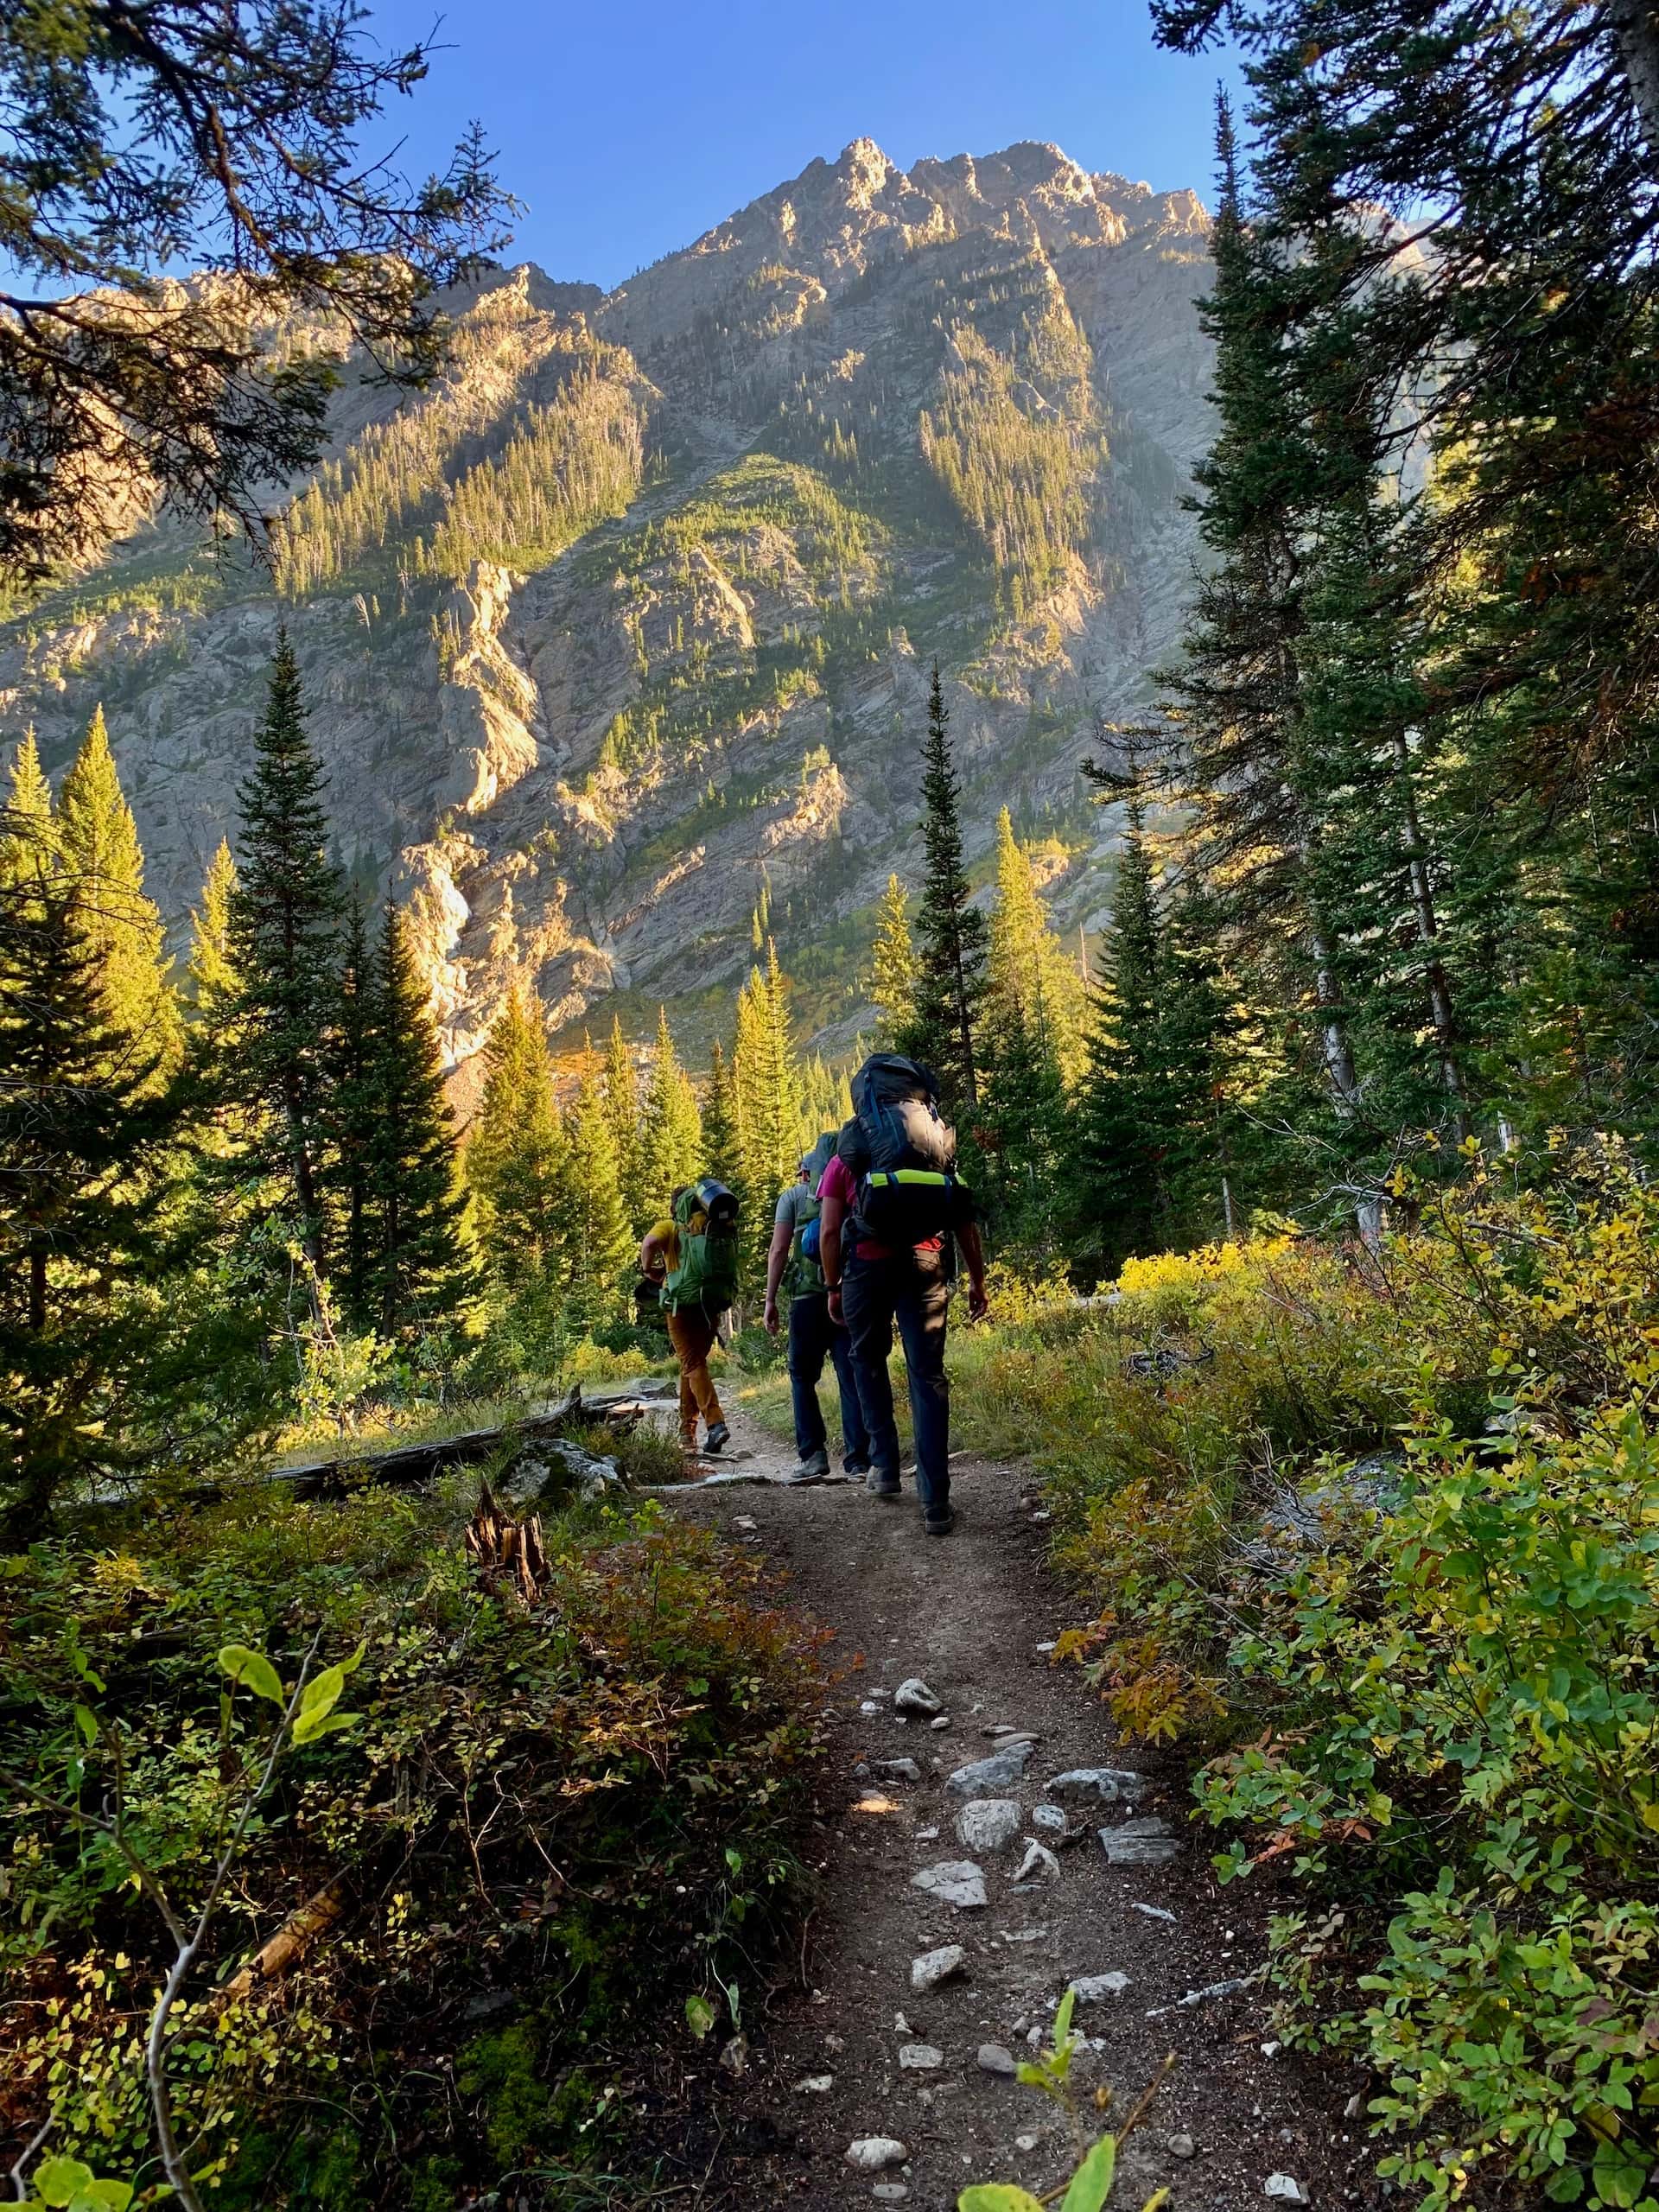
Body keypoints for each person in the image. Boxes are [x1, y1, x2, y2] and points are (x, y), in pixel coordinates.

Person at [819, 1058, 988, 1536]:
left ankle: (885, 1468)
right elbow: (963, 1218)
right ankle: (936, 1501)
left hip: (866, 1268)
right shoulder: (934, 1146)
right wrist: (977, 1280)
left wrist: (834, 1286)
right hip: (926, 1263)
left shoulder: (847, 1152)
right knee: (927, 1376)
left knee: (866, 1360)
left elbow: (830, 1230)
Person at [764, 1137, 873, 1485]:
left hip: (807, 1301)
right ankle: (859, 1460)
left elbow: (779, 1251)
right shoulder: (852, 1187)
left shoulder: (793, 1199)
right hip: (847, 1293)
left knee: (802, 1377)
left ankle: (813, 1456)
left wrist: (770, 1300)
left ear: (807, 1172)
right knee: (850, 1376)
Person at [640, 1181, 736, 1458]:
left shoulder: (671, 1226)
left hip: (680, 1306)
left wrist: (649, 1270)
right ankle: (687, 1434)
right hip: (711, 1304)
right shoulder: (711, 1225)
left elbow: (649, 1244)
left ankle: (715, 1423)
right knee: (692, 1365)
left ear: (674, 1208)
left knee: (692, 1363)